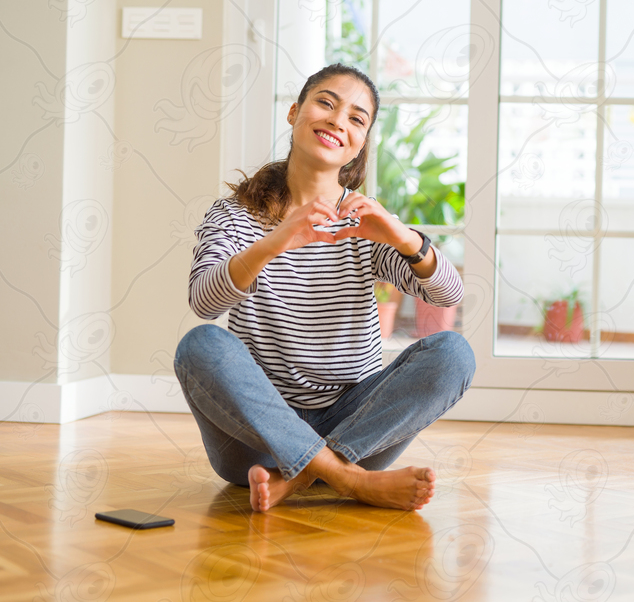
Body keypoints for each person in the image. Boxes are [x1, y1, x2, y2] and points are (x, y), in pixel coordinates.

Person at [172, 63, 475, 513]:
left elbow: (449, 294)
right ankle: (348, 480)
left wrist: (403, 237)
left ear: (360, 144)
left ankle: (295, 479)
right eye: (326, 103)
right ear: (295, 113)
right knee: (199, 345)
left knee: (453, 354)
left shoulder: (365, 222)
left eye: (356, 118)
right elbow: (204, 302)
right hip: (257, 436)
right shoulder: (233, 216)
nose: (337, 120)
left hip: (356, 427)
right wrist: (278, 238)